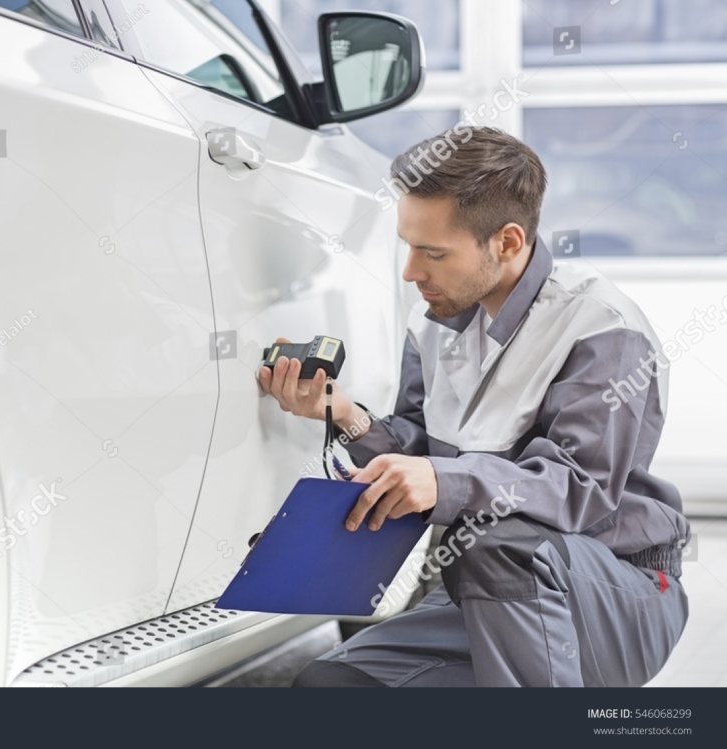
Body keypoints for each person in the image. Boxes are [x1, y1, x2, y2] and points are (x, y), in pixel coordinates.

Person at [257, 127, 690, 687]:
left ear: (508, 242)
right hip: (484, 588)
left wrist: (446, 481)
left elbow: (578, 489)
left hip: (614, 592)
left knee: (500, 542)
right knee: (331, 686)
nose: (412, 271)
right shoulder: (432, 322)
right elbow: (418, 444)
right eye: (408, 246)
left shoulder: (601, 327)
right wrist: (344, 413)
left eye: (433, 253)